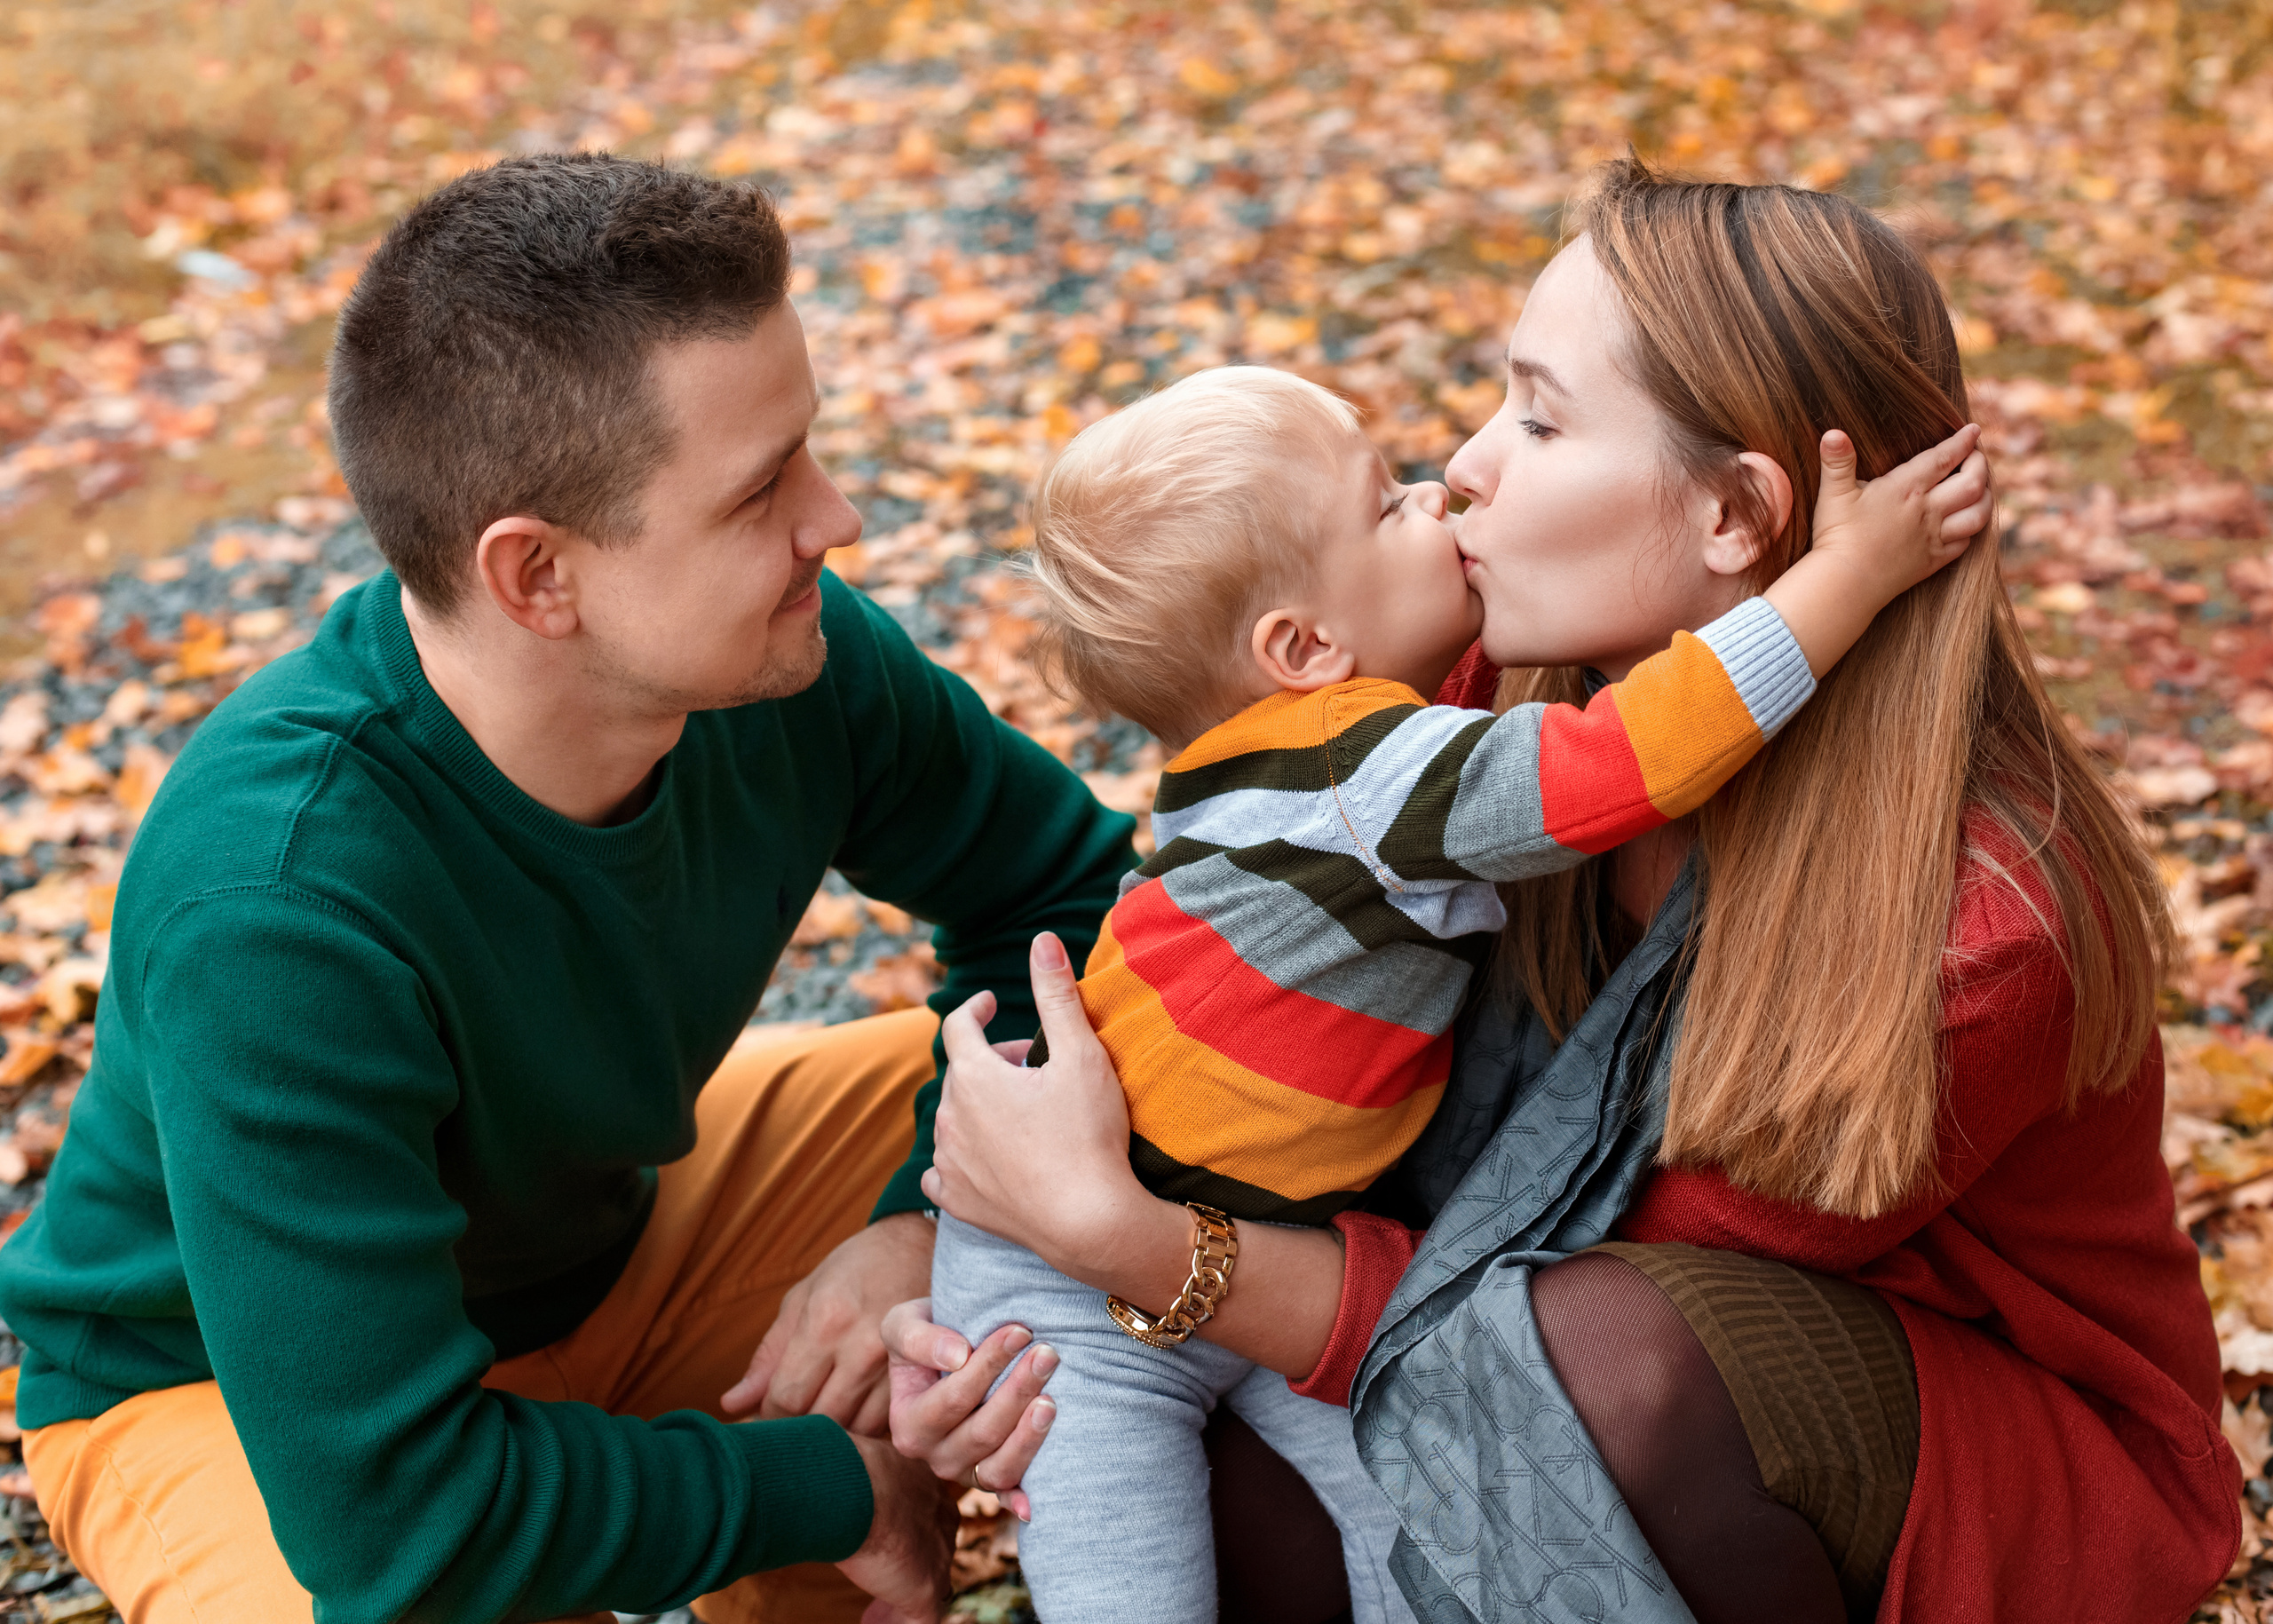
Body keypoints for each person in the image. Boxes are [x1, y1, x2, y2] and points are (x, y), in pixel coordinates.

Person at [885, 162, 2239, 1624]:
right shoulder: (1480, 714)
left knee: (1590, 1363)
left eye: (1538, 417)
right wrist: (1032, 1321)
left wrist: (1132, 1243)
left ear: (1738, 517)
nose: (1465, 465)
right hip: (1527, 1319)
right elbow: (1242, 960)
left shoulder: (1973, 926)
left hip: (1944, 1453)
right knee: (1194, 1455)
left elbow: (1516, 1329)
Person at [0, 154, 1141, 1624]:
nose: (837, 518)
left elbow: (1070, 894)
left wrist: (927, 1219)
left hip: (614, 1240)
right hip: (229, 1389)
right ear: (538, 577)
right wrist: (825, 1478)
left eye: (807, 449)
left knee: (1114, 1098)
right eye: (759, 493)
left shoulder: (786, 655)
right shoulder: (276, 905)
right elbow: (393, 1517)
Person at [927, 360, 1985, 1623]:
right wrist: (1848, 577)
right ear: (1305, 648)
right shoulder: (1358, 773)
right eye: (1389, 507)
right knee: (1130, 1592)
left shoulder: (1292, 752)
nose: (1443, 491)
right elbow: (1631, 760)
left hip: (1231, 1227)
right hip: (1068, 1293)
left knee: (1434, 1514)